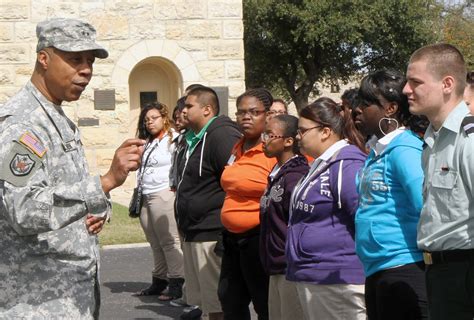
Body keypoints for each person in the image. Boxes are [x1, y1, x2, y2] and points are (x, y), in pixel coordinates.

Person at [0, 18, 144, 319]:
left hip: (68, 295)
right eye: (75, 59)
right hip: (36, 301)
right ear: (44, 59)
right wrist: (104, 183)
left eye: (90, 61)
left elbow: (64, 189)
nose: (86, 70)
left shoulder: (55, 116)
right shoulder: (23, 123)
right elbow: (22, 209)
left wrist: (95, 210)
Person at [403, 43, 473, 320]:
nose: (406, 90)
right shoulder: (433, 140)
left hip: (464, 272)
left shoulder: (468, 140)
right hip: (440, 272)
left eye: (415, 82)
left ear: (447, 84)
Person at [353, 70, 428, 319]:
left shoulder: (404, 150)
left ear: (391, 109)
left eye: (366, 104)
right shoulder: (377, 151)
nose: (357, 110)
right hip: (378, 269)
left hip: (404, 268)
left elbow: (424, 205)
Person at [286, 97, 367, 320]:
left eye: (303, 131)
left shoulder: (347, 164)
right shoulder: (320, 163)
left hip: (338, 277)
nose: (297, 137)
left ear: (325, 132)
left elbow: (362, 217)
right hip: (316, 275)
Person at [176, 86, 241, 320]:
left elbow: (235, 178)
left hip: (210, 232)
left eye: (189, 105)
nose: (183, 109)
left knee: (217, 304)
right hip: (194, 231)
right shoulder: (194, 138)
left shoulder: (221, 135)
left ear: (207, 109)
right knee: (206, 303)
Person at [218, 88, 276, 320]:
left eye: (254, 112)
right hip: (231, 239)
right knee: (230, 300)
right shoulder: (237, 148)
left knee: (264, 303)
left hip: (258, 238)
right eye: (241, 112)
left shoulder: (273, 150)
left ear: (267, 115)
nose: (246, 117)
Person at [132, 102, 185, 301]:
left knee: (170, 241)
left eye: (153, 118)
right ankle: (159, 280)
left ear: (164, 118)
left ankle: (177, 282)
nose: (149, 122)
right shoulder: (149, 141)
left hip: (163, 193)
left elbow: (181, 164)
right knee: (154, 241)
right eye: (146, 120)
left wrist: (175, 186)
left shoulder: (174, 139)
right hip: (145, 194)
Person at [260, 114, 308, 320]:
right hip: (274, 264)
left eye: (270, 135)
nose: (264, 140)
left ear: (289, 141)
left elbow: (298, 224)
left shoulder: (296, 176)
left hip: (289, 266)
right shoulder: (277, 172)